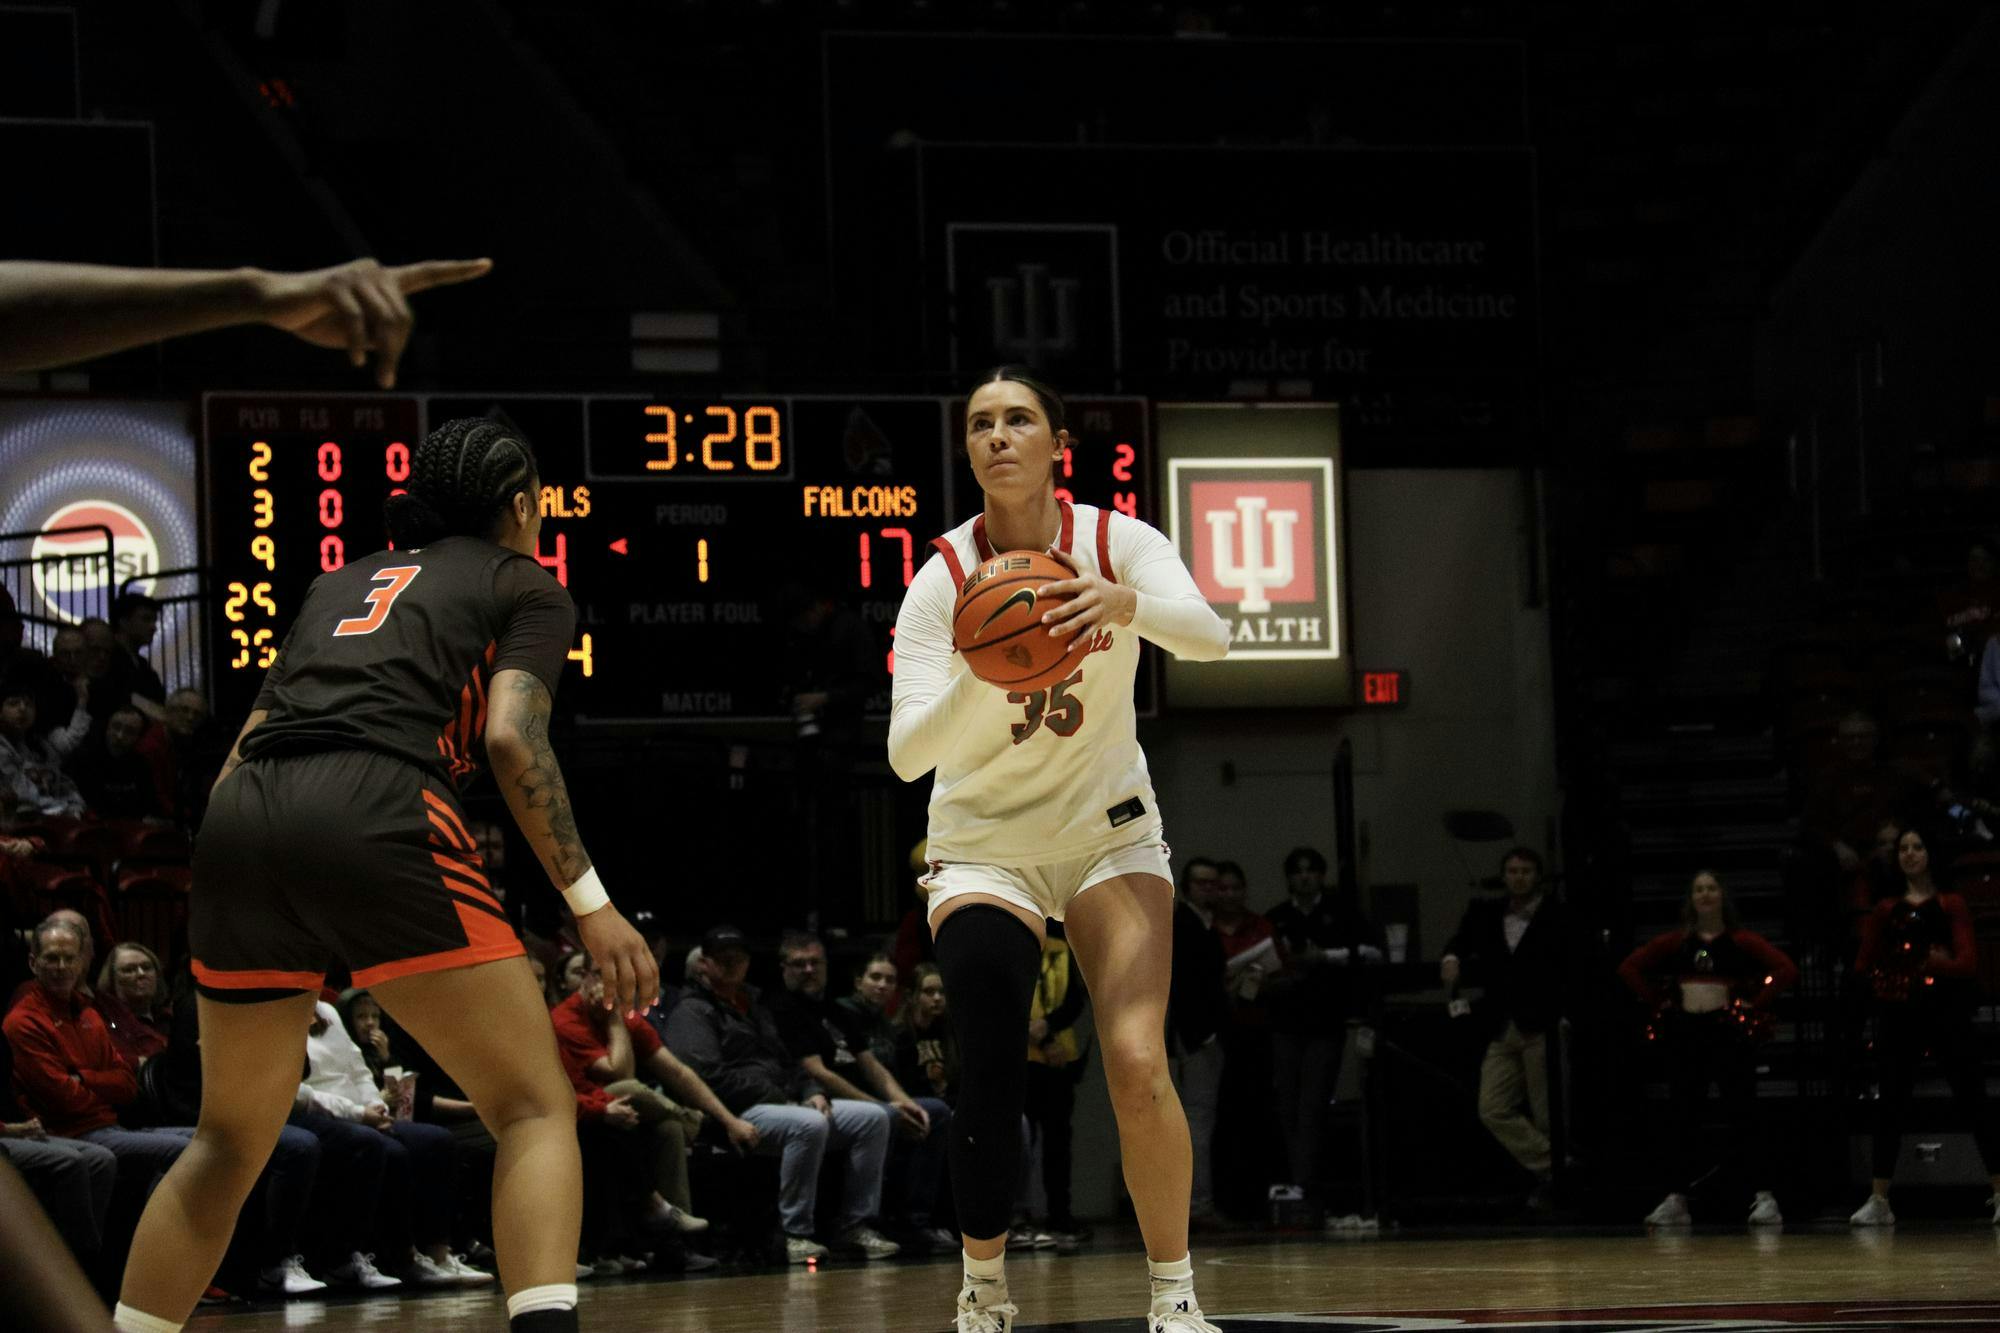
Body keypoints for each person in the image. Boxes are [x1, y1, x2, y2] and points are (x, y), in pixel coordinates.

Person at [110, 416, 657, 1333]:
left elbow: (237, 751)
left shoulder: (336, 580)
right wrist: (592, 905)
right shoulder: (524, 581)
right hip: (378, 800)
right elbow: (512, 737)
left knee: (227, 1138)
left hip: (241, 816)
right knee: (532, 1106)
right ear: (523, 504)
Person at [889, 367, 1231, 1333]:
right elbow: (907, 753)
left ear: (1057, 445)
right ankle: (985, 1285)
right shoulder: (942, 578)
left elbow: (1211, 636)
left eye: (1019, 420)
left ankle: (1174, 1294)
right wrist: (984, 665)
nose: (998, 436)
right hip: (982, 847)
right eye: (981, 424)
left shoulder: (1116, 540)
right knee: (993, 1060)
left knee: (1133, 1060)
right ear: (969, 450)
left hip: (1103, 832)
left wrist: (1124, 605)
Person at [665, 924, 898, 1263]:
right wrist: (780, 1094)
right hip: (733, 1113)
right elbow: (708, 1077)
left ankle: (855, 1225)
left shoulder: (754, 1003)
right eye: (723, 959)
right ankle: (794, 1233)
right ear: (705, 964)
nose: (732, 964)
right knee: (809, 1124)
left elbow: (788, 1059)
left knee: (874, 1119)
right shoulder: (692, 1011)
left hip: (783, 1103)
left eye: (739, 958)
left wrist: (812, 1089)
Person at [1618, 871, 1798, 1226]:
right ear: (1691, 899)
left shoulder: (1741, 941)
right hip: (1687, 1036)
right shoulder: (1676, 943)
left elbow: (1786, 969)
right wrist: (1658, 1001)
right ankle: (1676, 1199)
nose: (1705, 894)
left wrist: (1756, 1001)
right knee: (1682, 1117)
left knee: (1744, 1114)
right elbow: (1629, 968)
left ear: (1722, 896)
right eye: (1698, 889)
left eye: (1711, 888)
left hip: (1728, 1035)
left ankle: (1764, 1197)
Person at [1847, 827, 2000, 1225]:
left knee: (1974, 1099)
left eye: (1918, 846)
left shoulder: (1951, 904)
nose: (1910, 854)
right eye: (1903, 848)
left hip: (1947, 1011)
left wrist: (1929, 964)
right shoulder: (1885, 909)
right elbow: (1864, 963)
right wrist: (1902, 967)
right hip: (1900, 1013)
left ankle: (1999, 1190)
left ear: (1931, 853)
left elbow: (1967, 962)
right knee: (1891, 1103)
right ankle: (1879, 1200)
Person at [550, 955, 760, 1234]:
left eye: (619, 975)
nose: (610, 982)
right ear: (586, 976)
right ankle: (695, 1124)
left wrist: (730, 1121)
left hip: (622, 1111)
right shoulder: (566, 1019)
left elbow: (678, 1072)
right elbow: (620, 1074)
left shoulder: (626, 1015)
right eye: (602, 974)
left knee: (669, 1128)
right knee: (627, 1089)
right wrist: (614, 1017)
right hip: (581, 1113)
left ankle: (676, 1241)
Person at [1439, 847, 1581, 1201]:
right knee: (1492, 1106)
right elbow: (1460, 938)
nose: (1519, 877)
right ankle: (1556, 1166)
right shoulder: (1486, 913)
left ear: (1538, 876)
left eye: (1526, 871)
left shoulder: (1557, 915)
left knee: (1548, 1112)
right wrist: (1452, 956)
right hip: (1501, 1024)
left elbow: (1574, 967)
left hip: (1541, 1022)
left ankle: (1557, 1178)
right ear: (1503, 876)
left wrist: (1564, 1015)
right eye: (1513, 871)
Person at [1264, 845, 1386, 1199]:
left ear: (1321, 875)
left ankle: (1305, 1182)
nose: (1304, 876)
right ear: (1289, 877)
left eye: (1311, 870)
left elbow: (1374, 953)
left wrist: (1324, 957)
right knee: (1287, 1104)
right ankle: (1295, 1180)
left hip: (1325, 1023)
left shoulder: (1342, 913)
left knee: (1314, 1103)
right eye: (1297, 870)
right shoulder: (1277, 917)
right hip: (1285, 1023)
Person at [1166, 858, 1227, 1227]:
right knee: (1197, 1122)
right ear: (1188, 887)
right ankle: (1197, 1204)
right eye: (1202, 883)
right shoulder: (1183, 925)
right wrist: (1201, 1035)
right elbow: (1184, 986)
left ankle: (1197, 1203)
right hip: (1194, 1038)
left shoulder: (1203, 925)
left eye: (1214, 883)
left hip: (1197, 1036)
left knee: (1198, 1121)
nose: (1210, 889)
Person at [1023, 923, 1089, 1244]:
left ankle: (1060, 1215)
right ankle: (1017, 1216)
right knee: (1019, 1139)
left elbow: (1077, 998)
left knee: (1058, 1142)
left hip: (1058, 1058)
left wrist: (1049, 1029)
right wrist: (1042, 1035)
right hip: (1019, 1058)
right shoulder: (1013, 942)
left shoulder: (1063, 946)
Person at [0, 682, 87, 817]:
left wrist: (76, 806)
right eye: (13, 703)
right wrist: (64, 809)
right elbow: (23, 795)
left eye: (29, 704)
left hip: (54, 816)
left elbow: (63, 784)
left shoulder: (41, 746)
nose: (22, 708)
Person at [69, 707, 164, 820]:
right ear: (107, 727)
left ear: (139, 736)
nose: (120, 735)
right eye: (116, 727)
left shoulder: (141, 765)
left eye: (129, 731)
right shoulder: (82, 758)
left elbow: (149, 804)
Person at [93, 942, 172, 1070]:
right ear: (112, 979)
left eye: (147, 967)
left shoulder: (171, 1018)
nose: (141, 974)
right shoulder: (103, 1022)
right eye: (129, 970)